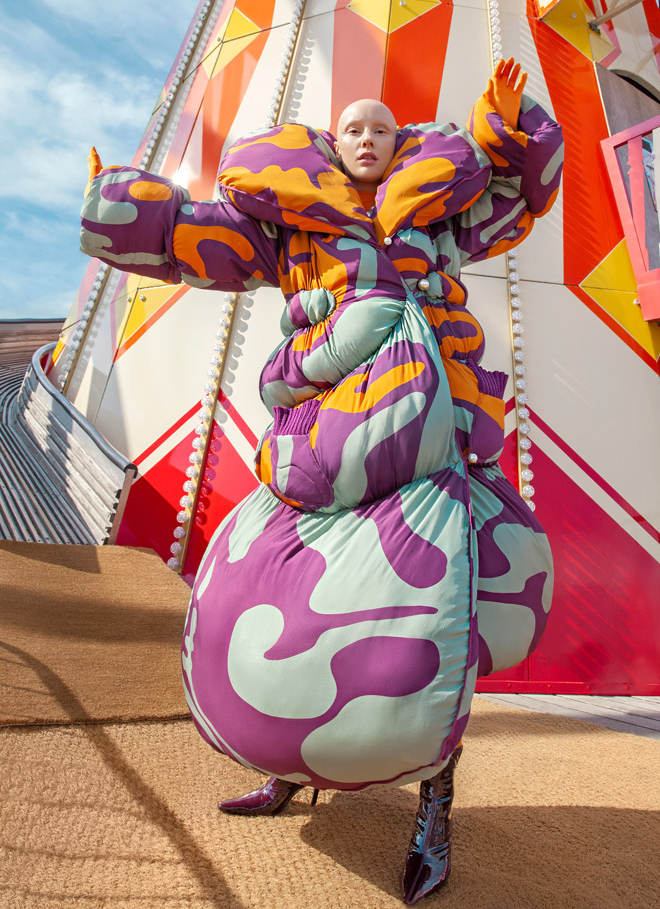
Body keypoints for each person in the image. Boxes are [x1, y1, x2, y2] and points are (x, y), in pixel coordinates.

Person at [81, 58, 563, 904]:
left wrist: (506, 128)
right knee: (282, 592)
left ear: (400, 143)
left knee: (433, 620)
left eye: (382, 129)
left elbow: (511, 201)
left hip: (429, 433)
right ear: (332, 144)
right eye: (354, 129)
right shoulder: (293, 224)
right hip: (323, 428)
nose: (368, 139)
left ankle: (432, 811)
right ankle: (286, 766)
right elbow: (198, 237)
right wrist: (127, 208)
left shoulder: (440, 217)